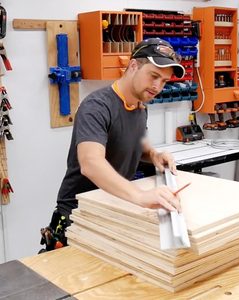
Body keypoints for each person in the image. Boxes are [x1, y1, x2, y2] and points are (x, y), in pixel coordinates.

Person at [40, 38, 186, 252]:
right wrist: (140, 196)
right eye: (154, 76)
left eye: (164, 81)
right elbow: (91, 163)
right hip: (79, 215)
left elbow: (136, 140)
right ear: (134, 66)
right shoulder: (97, 106)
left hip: (113, 207)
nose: (158, 86)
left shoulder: (140, 106)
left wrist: (153, 154)